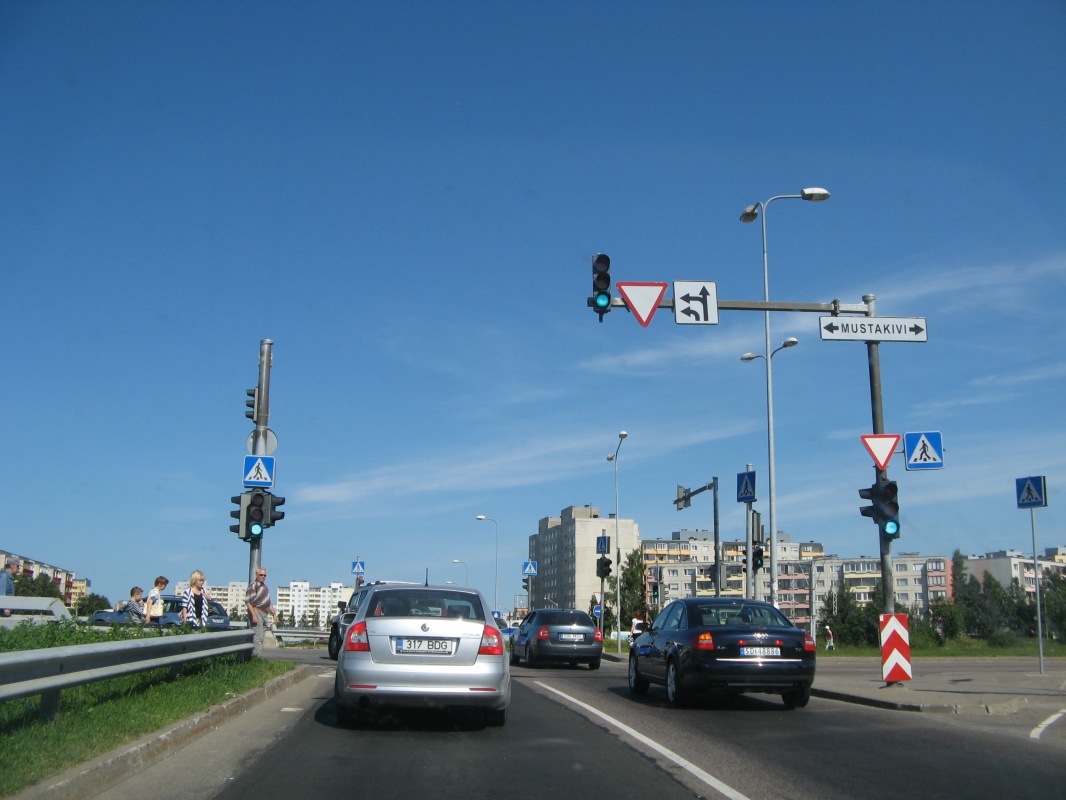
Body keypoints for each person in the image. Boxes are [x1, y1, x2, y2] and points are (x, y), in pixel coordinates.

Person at [245, 567, 278, 657]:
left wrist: (274, 614)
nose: (263, 576)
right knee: (258, 636)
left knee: (262, 636)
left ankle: (257, 655)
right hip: (257, 610)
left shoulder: (265, 588)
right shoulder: (253, 586)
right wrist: (253, 615)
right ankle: (256, 656)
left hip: (264, 612)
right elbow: (248, 602)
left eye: (265, 575)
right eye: (261, 575)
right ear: (256, 575)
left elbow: (268, 603)